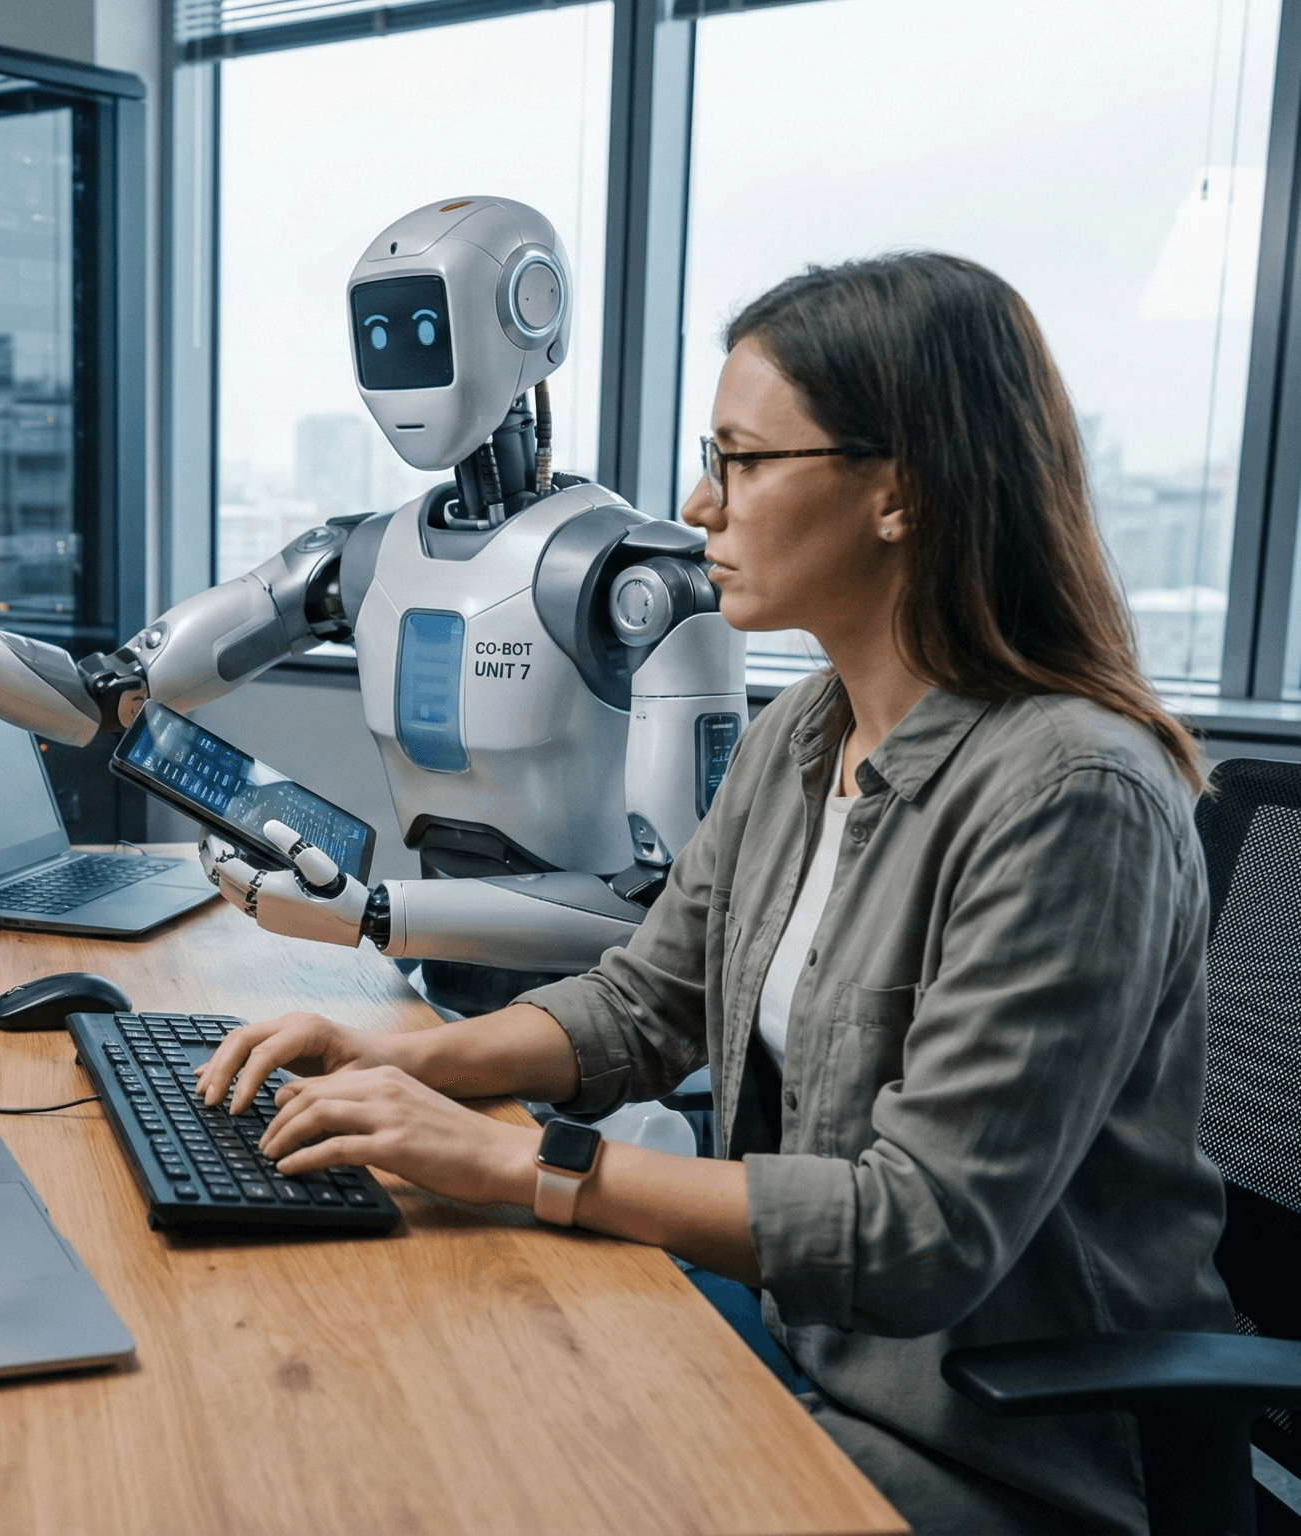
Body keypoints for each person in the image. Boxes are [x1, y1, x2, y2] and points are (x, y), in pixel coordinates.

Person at [196, 252, 1234, 1534]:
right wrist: (411, 1064)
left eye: (741, 462)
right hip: (803, 1343)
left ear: (896, 490)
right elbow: (647, 1002)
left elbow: (917, 1230)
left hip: (982, 1444)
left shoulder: (1069, 795)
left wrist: (522, 1163)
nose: (698, 505)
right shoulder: (807, 731)